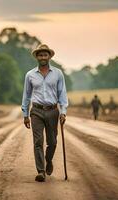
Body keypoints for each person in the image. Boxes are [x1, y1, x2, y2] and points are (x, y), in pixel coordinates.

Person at [21, 44, 68, 182]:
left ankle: (48, 160)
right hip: (36, 111)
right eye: (40, 55)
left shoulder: (58, 74)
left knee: (52, 142)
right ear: (37, 57)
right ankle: (41, 171)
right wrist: (25, 115)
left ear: (49, 57)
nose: (42, 57)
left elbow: (62, 94)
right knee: (38, 142)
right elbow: (26, 95)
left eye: (45, 55)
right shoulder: (30, 75)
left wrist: (63, 112)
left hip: (53, 111)